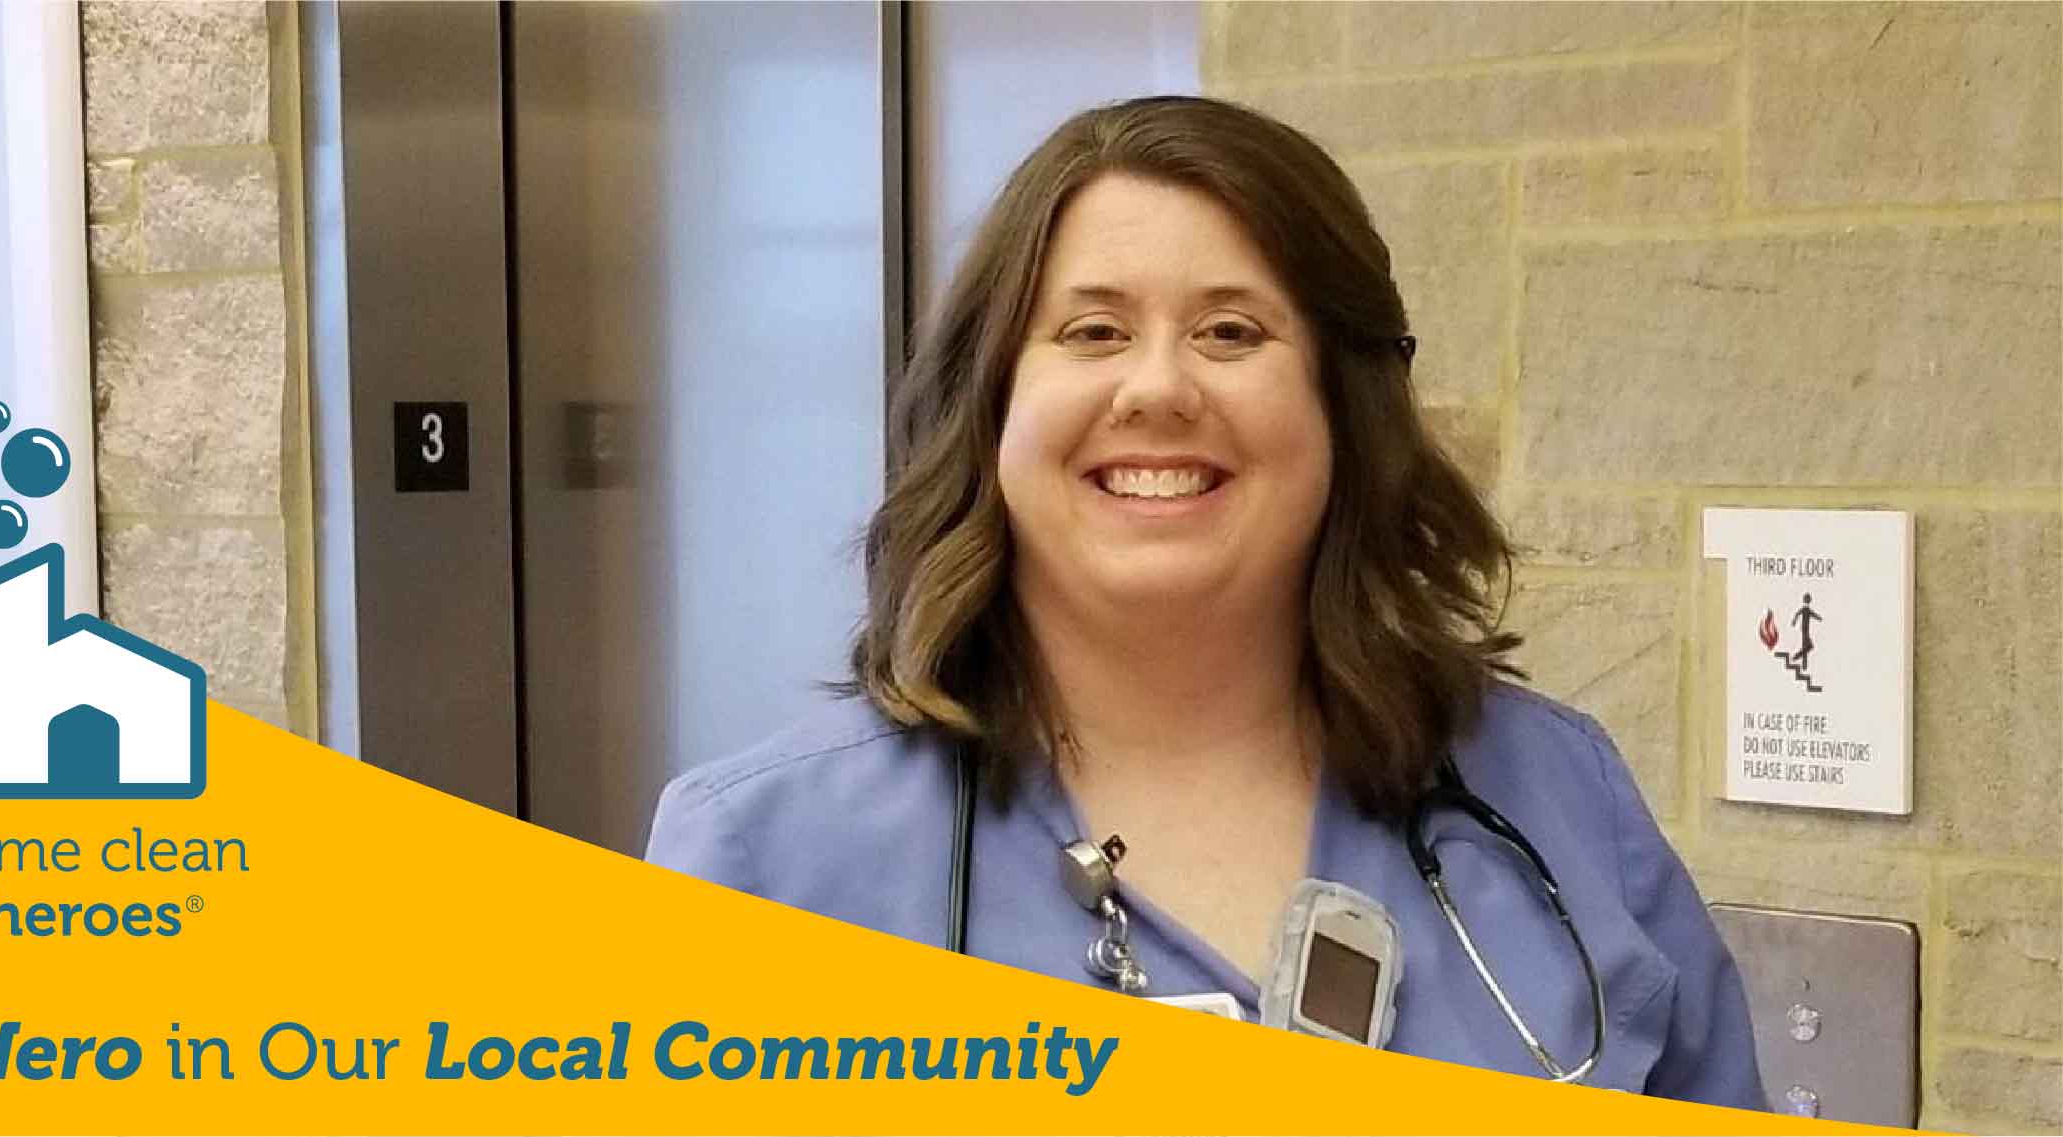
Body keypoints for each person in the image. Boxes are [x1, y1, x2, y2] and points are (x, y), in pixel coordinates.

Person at [645, 95, 1764, 1108]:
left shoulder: (1557, 796)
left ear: (1342, 407)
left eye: (1231, 332)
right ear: (990, 406)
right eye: (1092, 331)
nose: (1157, 388)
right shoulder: (763, 859)